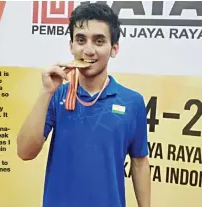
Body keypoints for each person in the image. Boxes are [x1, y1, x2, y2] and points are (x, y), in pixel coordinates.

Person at [17, 2, 151, 207]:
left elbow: (140, 162)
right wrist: (46, 92)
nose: (88, 50)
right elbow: (25, 152)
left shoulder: (132, 102)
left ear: (113, 48)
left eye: (99, 41)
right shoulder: (56, 94)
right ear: (71, 46)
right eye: (81, 40)